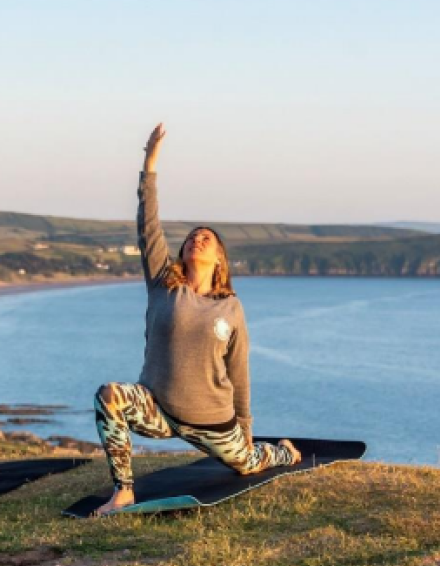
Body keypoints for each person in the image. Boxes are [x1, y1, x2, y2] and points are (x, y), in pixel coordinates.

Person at [93, 124, 302, 515]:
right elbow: (149, 225)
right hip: (159, 410)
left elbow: (239, 372)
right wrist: (149, 164)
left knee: (248, 463)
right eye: (192, 236)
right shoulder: (163, 285)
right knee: (108, 396)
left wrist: (246, 429)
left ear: (220, 258)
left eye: (207, 237)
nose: (197, 239)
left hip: (214, 422)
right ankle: (123, 490)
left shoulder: (230, 308)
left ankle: (282, 452)